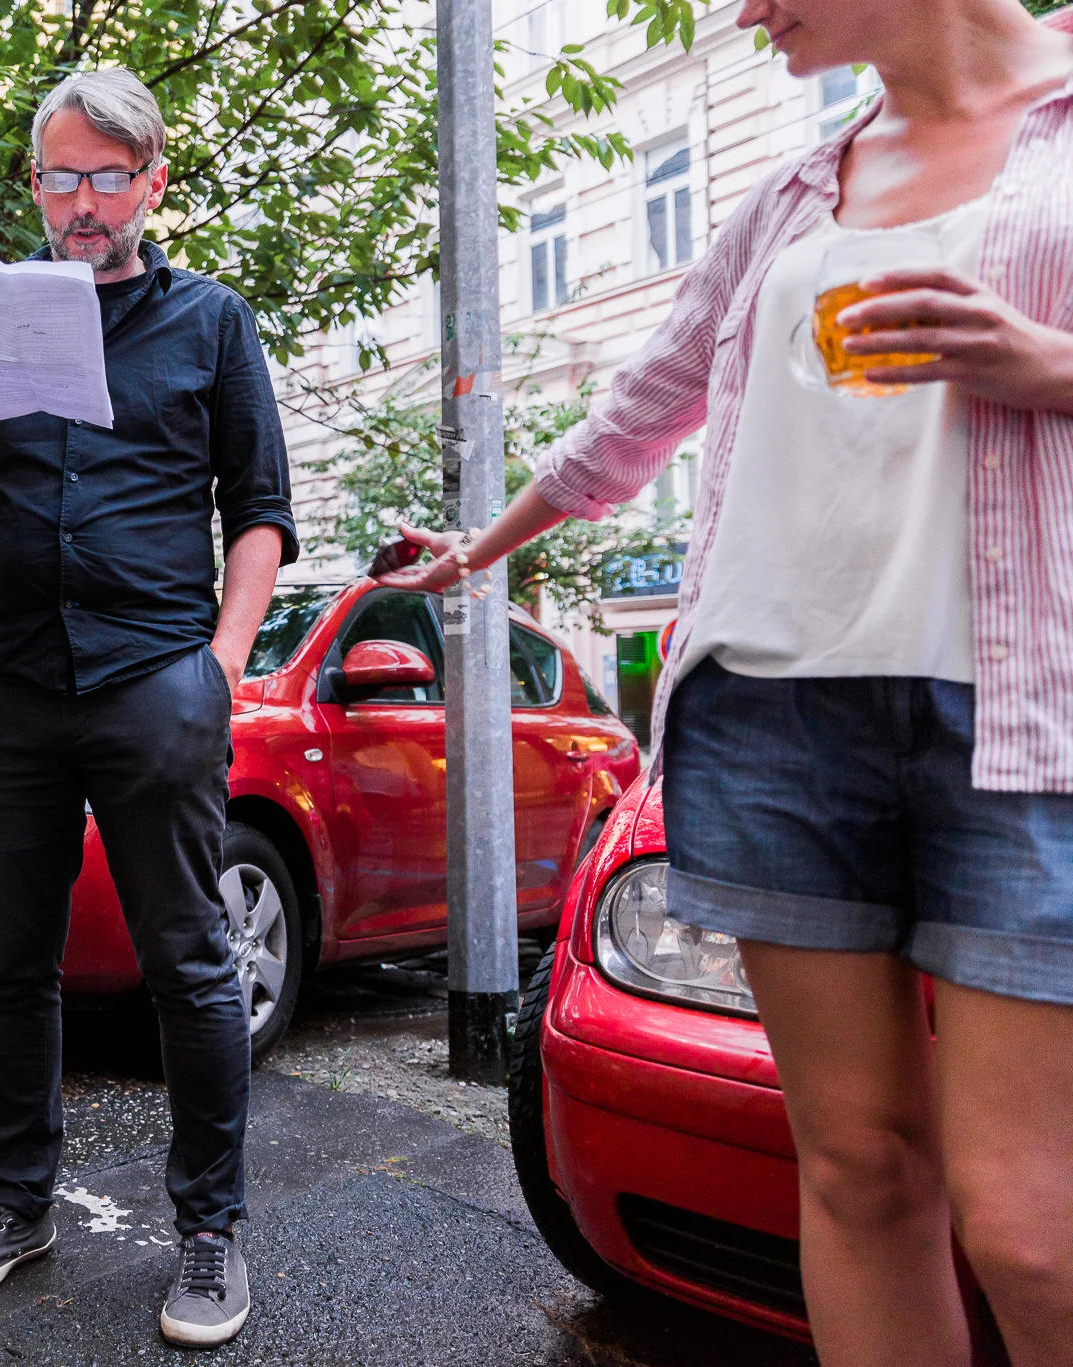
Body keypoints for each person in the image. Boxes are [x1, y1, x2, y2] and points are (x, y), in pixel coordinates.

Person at [379, 4, 1073, 1364]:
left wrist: (1046, 365)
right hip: (776, 712)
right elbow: (639, 406)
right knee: (861, 1169)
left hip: (1015, 710)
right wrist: (478, 550)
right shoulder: (792, 190)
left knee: (1031, 1223)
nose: (746, 11)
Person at [0, 68, 292, 1348]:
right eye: (61, 176)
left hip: (152, 682)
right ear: (32, 182)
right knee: (12, 962)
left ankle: (208, 1227)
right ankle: (16, 1204)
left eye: (106, 176)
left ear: (151, 182)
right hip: (5, 678)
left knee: (188, 960)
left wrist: (220, 665)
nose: (82, 201)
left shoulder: (210, 320)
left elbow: (259, 513)